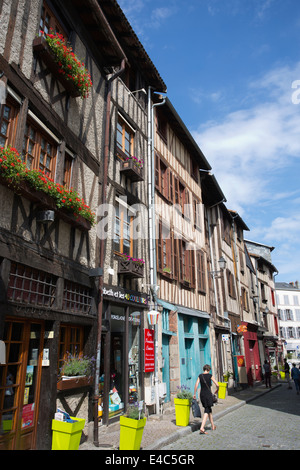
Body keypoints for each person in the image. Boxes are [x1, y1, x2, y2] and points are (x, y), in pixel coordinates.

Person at [193, 364, 219, 434]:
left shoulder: (200, 376)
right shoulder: (210, 376)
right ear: (209, 370)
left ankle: (213, 425)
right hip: (208, 394)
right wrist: (217, 390)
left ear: (204, 369)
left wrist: (194, 394)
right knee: (207, 410)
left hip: (202, 394)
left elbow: (196, 385)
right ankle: (202, 427)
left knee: (209, 409)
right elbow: (217, 384)